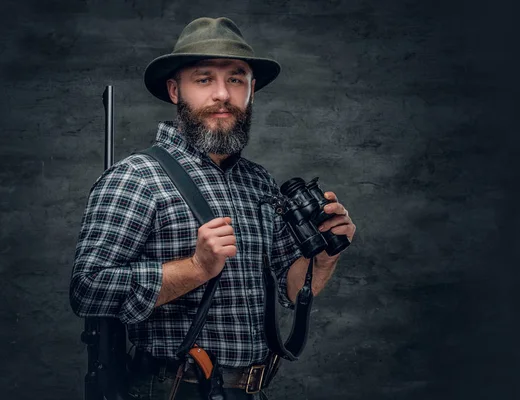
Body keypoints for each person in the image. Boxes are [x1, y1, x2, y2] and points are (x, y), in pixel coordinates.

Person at [69, 16, 356, 400]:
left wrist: (323, 255)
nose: (222, 94)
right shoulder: (136, 177)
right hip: (174, 390)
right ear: (175, 90)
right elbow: (88, 289)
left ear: (251, 90)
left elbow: (290, 288)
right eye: (204, 79)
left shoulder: (259, 182)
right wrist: (197, 268)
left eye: (236, 79)